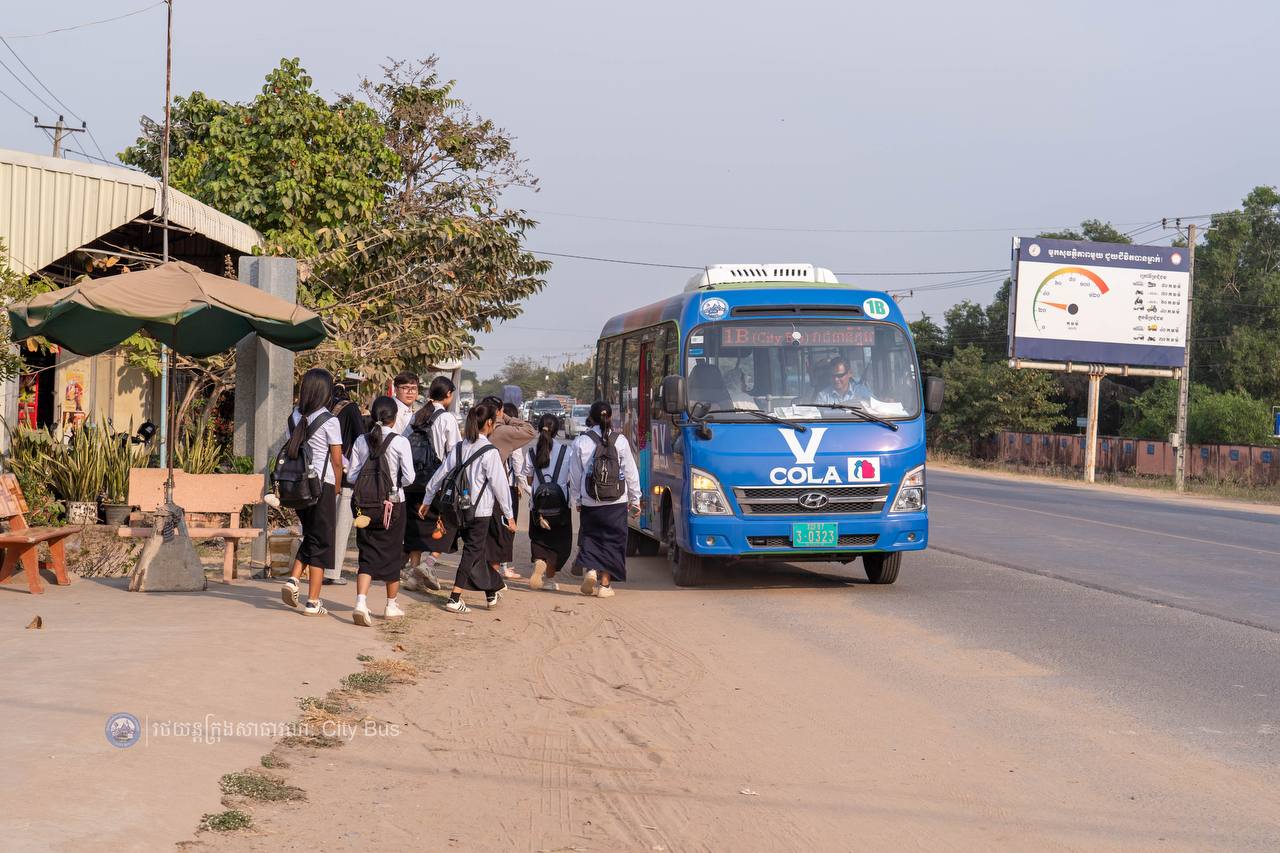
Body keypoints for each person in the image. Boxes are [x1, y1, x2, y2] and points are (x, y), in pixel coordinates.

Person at [419, 402, 515, 613]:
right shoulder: (489, 451)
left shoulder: (460, 447)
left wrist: (427, 500)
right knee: (472, 552)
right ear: (489, 423)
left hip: (458, 510)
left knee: (476, 551)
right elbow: (500, 486)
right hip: (480, 512)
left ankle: (492, 590)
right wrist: (509, 515)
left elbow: (440, 474)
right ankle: (455, 597)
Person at [280, 368, 345, 617]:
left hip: (297, 489)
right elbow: (337, 462)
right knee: (321, 543)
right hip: (322, 487)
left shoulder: (293, 417)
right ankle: (313, 601)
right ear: (326, 392)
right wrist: (337, 489)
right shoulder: (330, 420)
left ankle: (294, 580)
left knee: (312, 535)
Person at [347, 396, 415, 627]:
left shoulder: (360, 441)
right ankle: (391, 604)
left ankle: (360, 602)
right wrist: (394, 484)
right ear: (394, 418)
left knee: (366, 553)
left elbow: (352, 476)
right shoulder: (400, 442)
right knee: (393, 553)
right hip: (393, 506)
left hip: (364, 506)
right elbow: (410, 477)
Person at [568, 401, 641, 598]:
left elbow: (575, 475)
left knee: (591, 536)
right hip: (616, 502)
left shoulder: (581, 442)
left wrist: (577, 499)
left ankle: (591, 569)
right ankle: (605, 585)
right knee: (612, 541)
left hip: (591, 499)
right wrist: (636, 499)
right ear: (610, 417)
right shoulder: (621, 441)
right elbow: (631, 472)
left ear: (591, 418)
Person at [403, 376, 460, 592]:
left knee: (416, 526)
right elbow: (453, 453)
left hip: (413, 480)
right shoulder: (447, 419)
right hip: (436, 480)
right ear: (447, 395)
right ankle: (428, 564)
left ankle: (414, 576)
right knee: (449, 524)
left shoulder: (418, 415)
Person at [325, 380, 367, 586]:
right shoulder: (350, 409)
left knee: (321, 523)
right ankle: (332, 572)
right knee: (341, 526)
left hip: (319, 473)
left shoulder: (317, 408)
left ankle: (312, 566)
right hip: (343, 474)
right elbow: (361, 439)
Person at [526, 413, 573, 591]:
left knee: (539, 539)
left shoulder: (531, 452)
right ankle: (549, 577)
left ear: (539, 429)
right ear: (557, 430)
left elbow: (529, 480)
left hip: (538, 508)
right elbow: (571, 478)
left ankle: (539, 561)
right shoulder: (566, 451)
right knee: (560, 544)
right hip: (560, 507)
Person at [491, 402, 528, 580]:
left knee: (497, 527)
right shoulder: (510, 437)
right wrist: (525, 487)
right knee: (507, 528)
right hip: (509, 487)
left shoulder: (492, 434)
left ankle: (498, 565)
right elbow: (518, 466)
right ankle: (502, 566)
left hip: (495, 487)